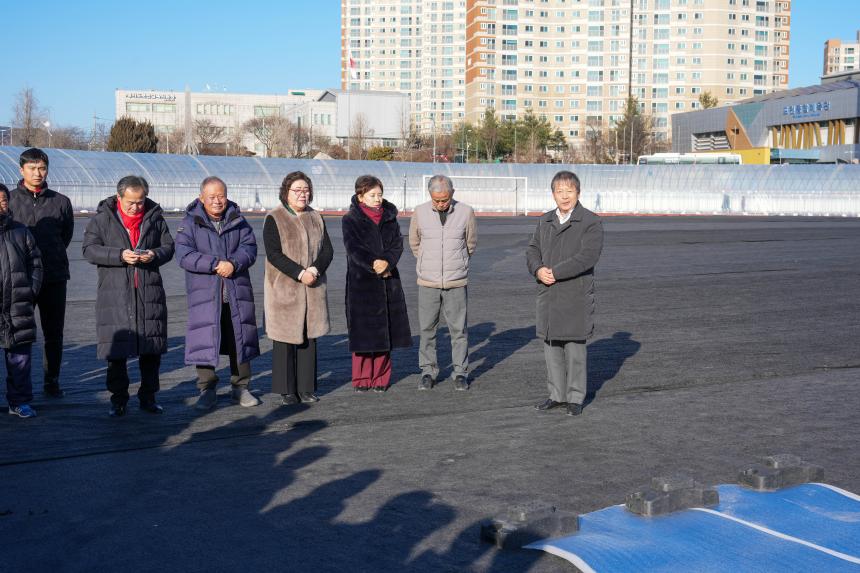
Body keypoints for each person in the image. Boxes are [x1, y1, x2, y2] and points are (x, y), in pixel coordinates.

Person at [82, 176, 175, 417]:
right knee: (117, 353)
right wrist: (119, 255)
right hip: (115, 294)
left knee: (151, 349)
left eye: (140, 202)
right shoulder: (102, 219)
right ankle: (118, 399)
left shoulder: (154, 218)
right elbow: (89, 250)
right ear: (119, 197)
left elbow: (169, 247)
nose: (136, 207)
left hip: (149, 292)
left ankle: (149, 397)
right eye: (131, 202)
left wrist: (153, 254)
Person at [175, 176, 261, 410]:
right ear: (201, 197)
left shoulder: (238, 220)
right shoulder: (190, 223)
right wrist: (215, 264)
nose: (217, 201)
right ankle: (207, 389)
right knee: (204, 339)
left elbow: (250, 248)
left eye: (221, 195)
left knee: (239, 339)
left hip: (235, 292)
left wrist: (233, 263)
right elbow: (183, 255)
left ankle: (240, 388)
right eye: (211, 196)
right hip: (205, 294)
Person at [526, 171, 603, 416]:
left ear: (578, 193)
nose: (565, 196)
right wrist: (538, 270)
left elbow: (587, 257)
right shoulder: (545, 220)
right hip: (548, 293)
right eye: (560, 191)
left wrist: (554, 272)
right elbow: (532, 250)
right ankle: (556, 395)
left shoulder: (591, 222)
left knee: (575, 350)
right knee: (552, 348)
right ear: (553, 194)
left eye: (569, 191)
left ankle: (575, 397)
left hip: (574, 294)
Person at [9, 148, 74, 398]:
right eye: (32, 168)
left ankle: (51, 380)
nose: (38, 173)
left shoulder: (61, 201)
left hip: (54, 276)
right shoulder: (11, 201)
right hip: (19, 278)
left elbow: (65, 236)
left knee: (53, 333)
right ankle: (17, 384)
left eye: (42, 168)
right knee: (18, 332)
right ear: (21, 169)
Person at [264, 171, 333, 405]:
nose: (303, 194)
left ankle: (306, 388)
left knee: (308, 338)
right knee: (285, 340)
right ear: (286, 192)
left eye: (306, 190)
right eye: (297, 190)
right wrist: (299, 272)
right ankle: (287, 390)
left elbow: (327, 250)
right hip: (285, 290)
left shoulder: (316, 217)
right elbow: (273, 254)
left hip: (312, 287)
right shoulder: (275, 218)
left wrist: (314, 270)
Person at [342, 175, 412, 393]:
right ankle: (362, 378)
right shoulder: (350, 219)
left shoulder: (390, 218)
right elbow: (353, 248)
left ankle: (381, 378)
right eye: (372, 195)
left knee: (384, 333)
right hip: (361, 283)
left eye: (379, 194)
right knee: (363, 334)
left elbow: (397, 245)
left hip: (388, 281)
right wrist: (374, 264)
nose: (377, 199)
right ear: (360, 196)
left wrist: (388, 262)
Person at [408, 175, 477, 391]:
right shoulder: (419, 212)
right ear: (430, 196)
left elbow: (470, 243)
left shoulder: (466, 212)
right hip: (427, 282)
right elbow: (414, 243)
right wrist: (427, 262)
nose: (440, 204)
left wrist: (458, 263)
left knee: (459, 330)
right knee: (427, 329)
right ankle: (428, 371)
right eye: (436, 200)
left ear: (452, 194)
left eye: (445, 199)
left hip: (456, 281)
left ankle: (460, 373)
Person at [0, 184, 43, 418]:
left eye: (4, 200)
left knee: (19, 358)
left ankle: (19, 401)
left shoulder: (21, 231)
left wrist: (30, 291)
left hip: (17, 304)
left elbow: (35, 264)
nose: (1, 205)